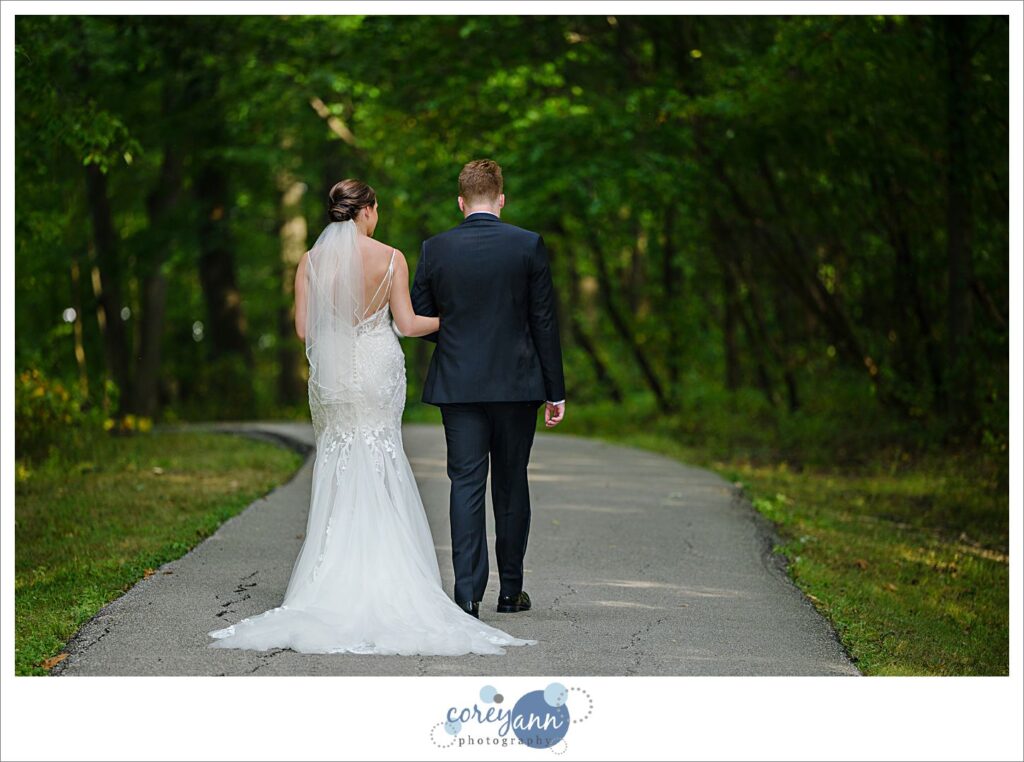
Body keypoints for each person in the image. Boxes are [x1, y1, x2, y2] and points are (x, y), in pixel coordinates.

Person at [207, 179, 538, 655]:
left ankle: (331, 575)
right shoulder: (391, 258)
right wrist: (457, 319)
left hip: (335, 372)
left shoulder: (310, 262)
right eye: (376, 209)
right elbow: (407, 325)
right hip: (377, 369)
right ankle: (388, 573)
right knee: (380, 454)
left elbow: (305, 328)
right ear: (366, 211)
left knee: (339, 456)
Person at [411, 159, 566, 619]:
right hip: (517, 384)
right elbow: (543, 321)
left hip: (458, 383)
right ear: (501, 198)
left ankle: (468, 595)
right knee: (512, 483)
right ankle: (510, 592)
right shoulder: (528, 246)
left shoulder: (435, 249)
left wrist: (459, 337)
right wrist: (555, 391)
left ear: (461, 202)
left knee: (465, 484)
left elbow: (421, 316)